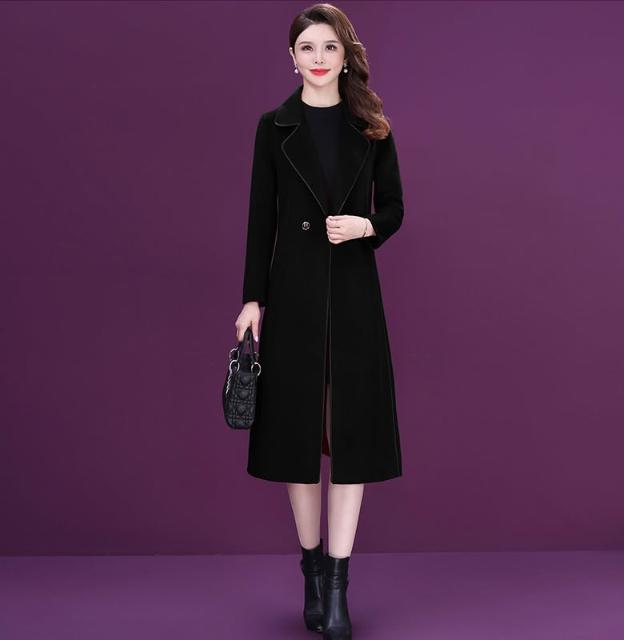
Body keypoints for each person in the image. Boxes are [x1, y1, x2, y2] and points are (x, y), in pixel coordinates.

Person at [234, 4, 405, 639]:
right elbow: (261, 218)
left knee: (350, 441)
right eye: (307, 47)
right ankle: (310, 569)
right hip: (295, 294)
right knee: (298, 440)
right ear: (292, 57)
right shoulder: (273, 127)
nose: (318, 58)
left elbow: (394, 207)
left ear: (344, 54)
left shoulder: (371, 127)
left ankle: (337, 588)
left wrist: (365, 226)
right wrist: (252, 299)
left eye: (329, 46)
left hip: (355, 296)